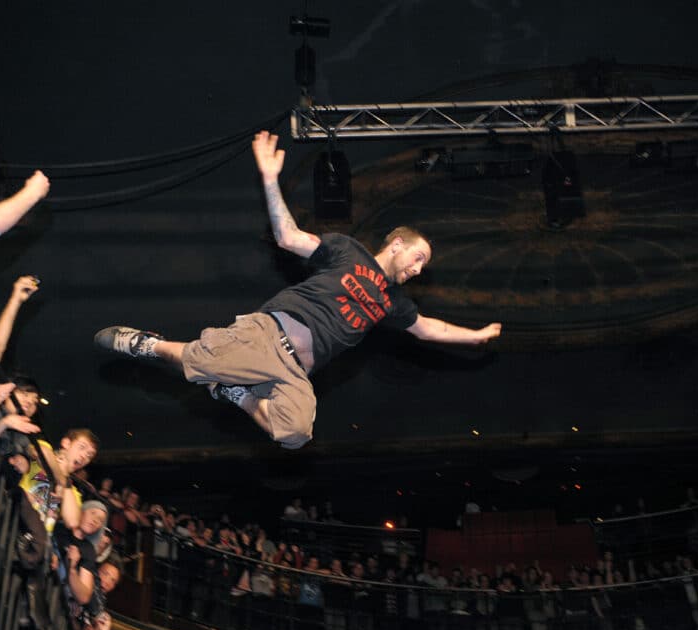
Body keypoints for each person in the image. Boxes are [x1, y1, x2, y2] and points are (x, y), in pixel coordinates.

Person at [96, 131, 501, 448]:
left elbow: (431, 329)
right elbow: (288, 237)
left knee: (293, 434)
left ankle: (238, 396)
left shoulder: (392, 303)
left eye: (423, 266)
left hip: (294, 371)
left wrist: (475, 336)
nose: (418, 269)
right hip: (270, 335)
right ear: (396, 245)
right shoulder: (347, 251)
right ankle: (147, 345)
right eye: (418, 258)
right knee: (200, 364)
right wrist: (270, 179)